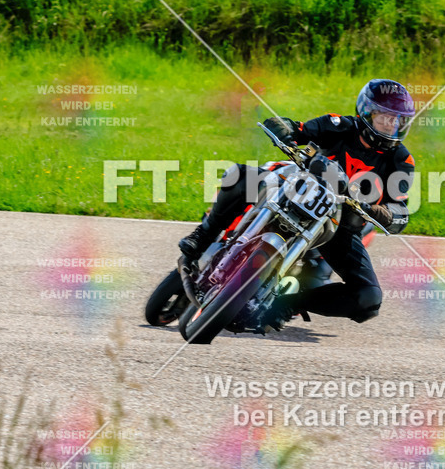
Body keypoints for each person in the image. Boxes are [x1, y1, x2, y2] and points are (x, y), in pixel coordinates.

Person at [178, 79, 417, 330]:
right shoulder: (340, 125)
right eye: (386, 117)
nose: (392, 125)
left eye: (398, 120)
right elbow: (299, 129)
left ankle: (284, 304)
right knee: (239, 175)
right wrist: (283, 129)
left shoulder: (402, 160)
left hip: (339, 225)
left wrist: (384, 213)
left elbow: (400, 207)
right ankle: (202, 236)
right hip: (299, 190)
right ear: (367, 112)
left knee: (368, 300)